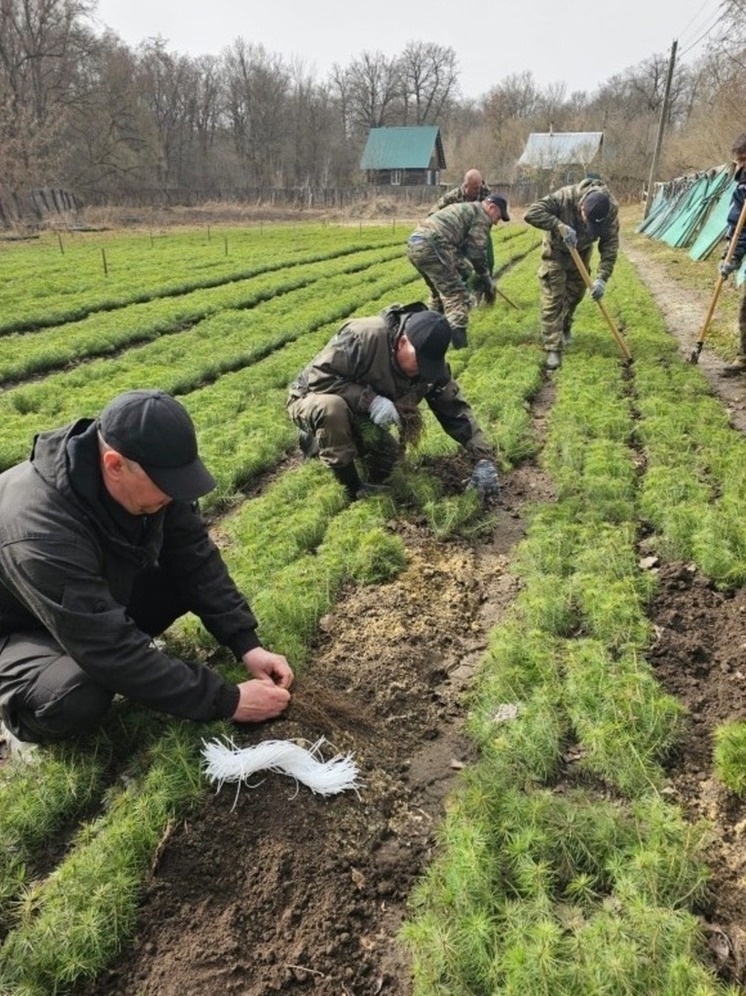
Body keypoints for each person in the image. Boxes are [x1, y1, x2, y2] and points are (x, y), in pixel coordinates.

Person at [0, 389, 293, 751]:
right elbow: (106, 647)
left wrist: (246, 644)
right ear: (114, 465)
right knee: (77, 694)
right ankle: (18, 708)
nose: (172, 496)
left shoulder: (152, 479)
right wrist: (226, 700)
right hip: (18, 628)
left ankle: (136, 660)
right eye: (165, 487)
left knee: (181, 578)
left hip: (84, 598)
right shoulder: (39, 531)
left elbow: (194, 556)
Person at [286, 303, 500, 503]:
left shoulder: (431, 369)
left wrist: (484, 460)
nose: (423, 371)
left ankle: (346, 437)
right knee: (331, 409)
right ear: (403, 342)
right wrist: (371, 401)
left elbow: (454, 410)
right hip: (312, 397)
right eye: (420, 363)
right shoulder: (365, 336)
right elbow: (319, 378)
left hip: (361, 415)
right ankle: (349, 484)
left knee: (388, 465)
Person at [524, 177, 620, 370]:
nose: (588, 226)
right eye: (587, 221)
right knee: (554, 298)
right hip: (556, 252)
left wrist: (602, 278)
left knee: (576, 293)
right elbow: (531, 213)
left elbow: (609, 246)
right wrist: (559, 226)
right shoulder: (565, 197)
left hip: (582, 251)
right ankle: (553, 347)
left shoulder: (610, 209)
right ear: (582, 208)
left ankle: (565, 324)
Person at [406, 193, 510, 350]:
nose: (496, 222)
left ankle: (426, 339)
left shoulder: (468, 209)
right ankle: (460, 347)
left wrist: (468, 271)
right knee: (456, 295)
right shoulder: (482, 216)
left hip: (415, 243)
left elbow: (461, 254)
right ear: (491, 207)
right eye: (498, 216)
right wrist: (484, 276)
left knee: (438, 295)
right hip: (433, 244)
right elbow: (476, 251)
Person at [430, 169, 495, 278]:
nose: (478, 190)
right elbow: (433, 214)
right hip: (459, 236)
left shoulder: (485, 192)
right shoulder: (452, 197)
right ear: (466, 186)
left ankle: (486, 289)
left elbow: (492, 211)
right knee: (462, 268)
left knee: (488, 262)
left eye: (480, 186)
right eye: (475, 188)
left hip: (479, 233)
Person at [718, 133, 746, 377]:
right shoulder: (742, 185)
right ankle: (744, 355)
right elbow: (738, 225)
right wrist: (731, 257)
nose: (741, 165)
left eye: (744, 160)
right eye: (738, 161)